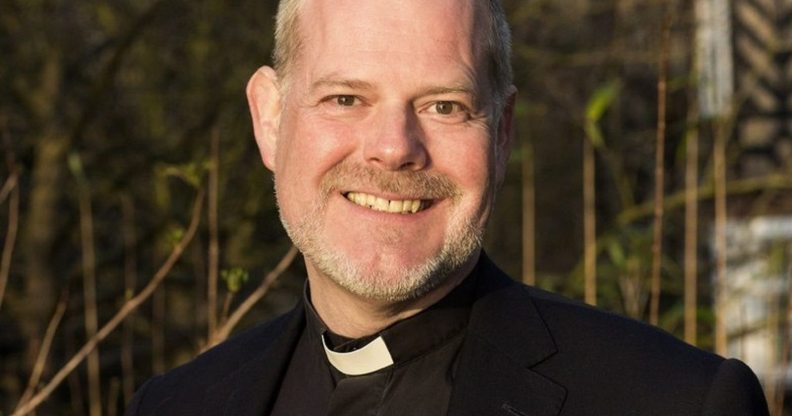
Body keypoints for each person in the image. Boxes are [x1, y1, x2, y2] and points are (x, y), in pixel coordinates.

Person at [126, 0, 771, 414]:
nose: (393, 149)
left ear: (502, 133)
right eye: (345, 99)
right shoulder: (175, 405)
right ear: (270, 119)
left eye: (444, 106)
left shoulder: (675, 401)